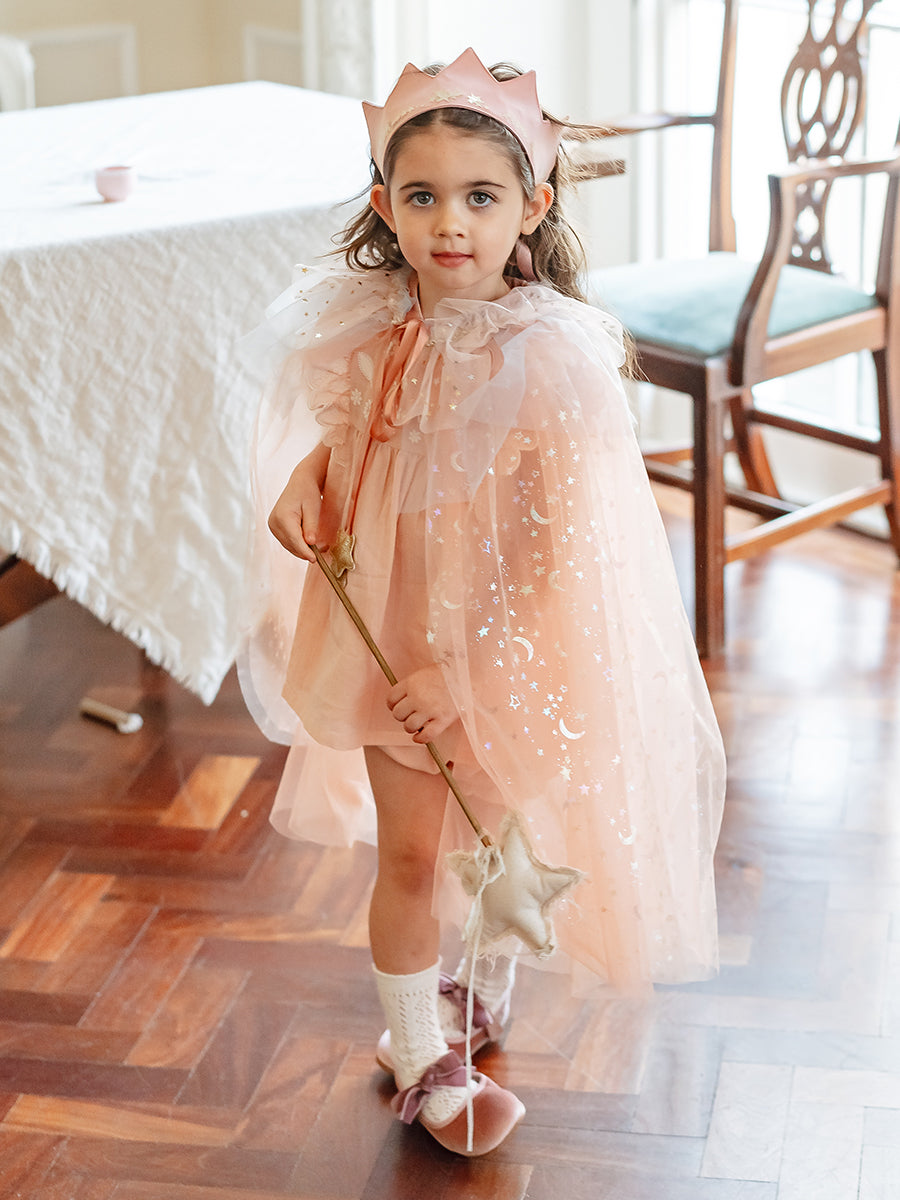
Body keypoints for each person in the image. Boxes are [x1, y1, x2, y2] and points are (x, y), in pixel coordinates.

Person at [239, 48, 726, 1157]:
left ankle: (476, 989)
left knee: (500, 838)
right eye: (421, 196)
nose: (449, 223)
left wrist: (461, 674)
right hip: (387, 633)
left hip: (507, 650)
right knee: (412, 855)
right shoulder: (368, 326)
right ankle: (419, 1052)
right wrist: (308, 482)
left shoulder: (551, 359)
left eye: (479, 197)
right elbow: (351, 445)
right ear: (384, 205)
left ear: (531, 207)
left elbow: (556, 555)